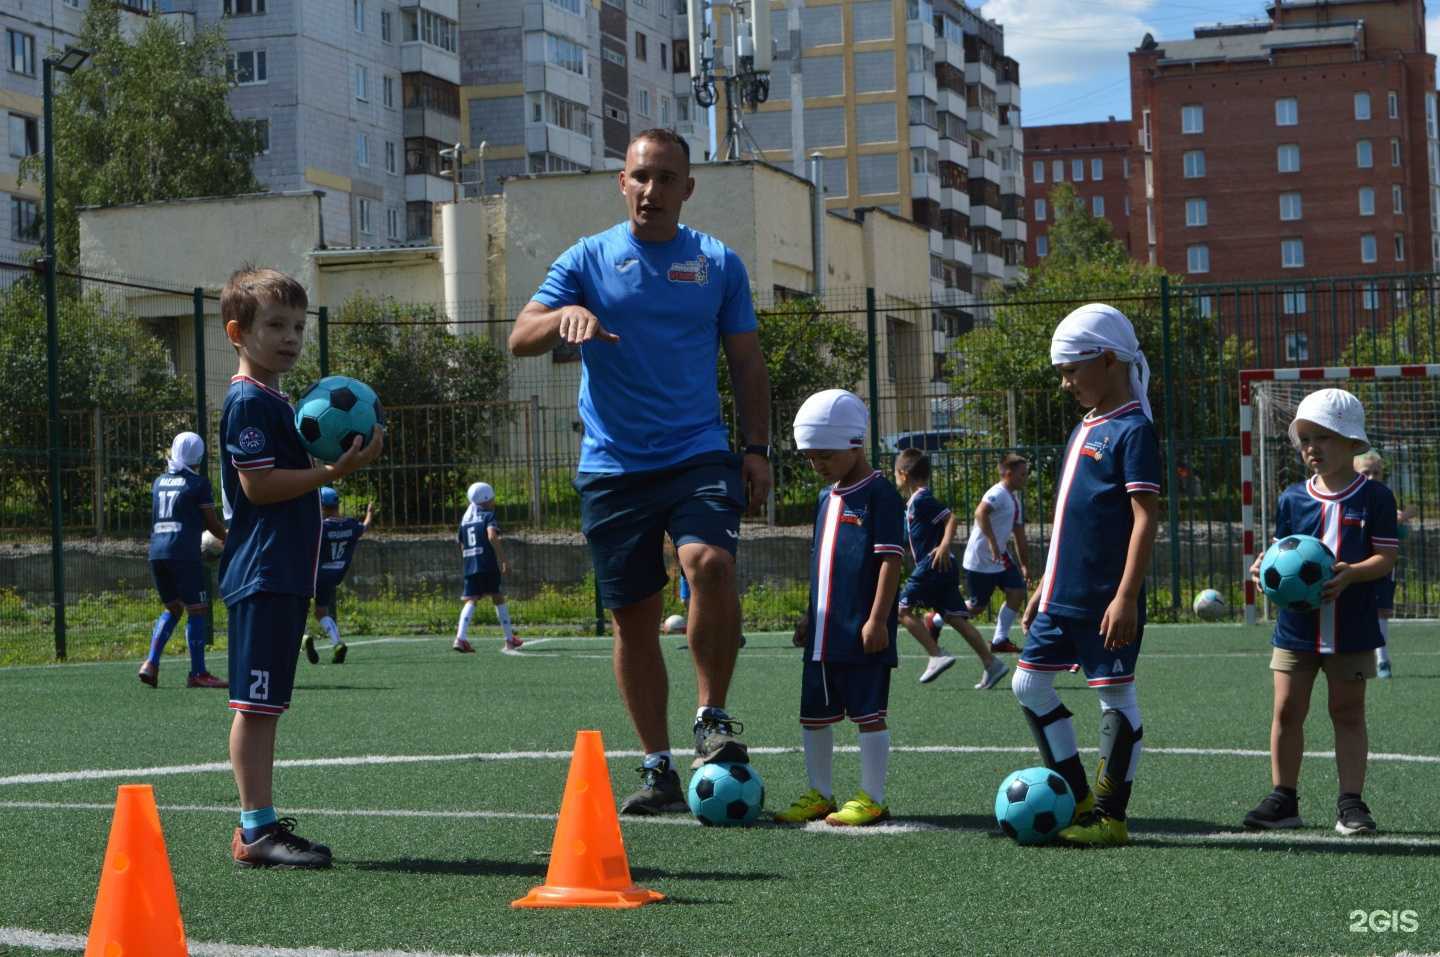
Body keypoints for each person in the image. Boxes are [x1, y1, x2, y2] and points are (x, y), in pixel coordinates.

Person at [509, 128, 772, 815]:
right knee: (634, 619)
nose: (652, 189)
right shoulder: (586, 258)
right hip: (613, 466)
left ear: (688, 188)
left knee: (710, 563)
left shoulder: (717, 263)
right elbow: (519, 335)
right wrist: (564, 314)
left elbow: (747, 361)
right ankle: (658, 767)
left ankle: (712, 720)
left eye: (666, 178)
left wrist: (757, 448)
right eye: (641, 176)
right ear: (622, 182)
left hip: (697, 452)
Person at [219, 266, 384, 868]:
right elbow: (259, 487)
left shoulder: (278, 400)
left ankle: (259, 826)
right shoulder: (248, 401)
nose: (290, 338)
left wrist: (337, 464)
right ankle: (256, 831)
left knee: (267, 706)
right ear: (238, 333)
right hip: (262, 571)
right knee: (255, 706)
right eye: (275, 326)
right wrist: (333, 473)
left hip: (284, 572)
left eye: (297, 326)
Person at [1012, 303, 1161, 847]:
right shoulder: (1085, 426)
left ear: (1108, 360)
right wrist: (1043, 586)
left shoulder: (1133, 430)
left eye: (1072, 371)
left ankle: (1110, 816)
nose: (1066, 383)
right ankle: (1075, 797)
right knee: (1028, 684)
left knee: (1115, 697)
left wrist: (1126, 597)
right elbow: (1068, 521)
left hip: (1104, 600)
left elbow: (1145, 519)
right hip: (1062, 596)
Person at [1244, 390, 1396, 835]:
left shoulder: (1375, 497)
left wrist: (1352, 574)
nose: (1312, 447)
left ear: (1352, 442)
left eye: (1323, 437)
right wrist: (1264, 570)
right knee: (1287, 710)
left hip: (1351, 626)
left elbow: (1385, 558)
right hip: (1296, 628)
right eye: (1305, 439)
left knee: (1347, 712)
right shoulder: (1293, 498)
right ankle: (1283, 799)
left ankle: (1351, 803)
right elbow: (1282, 553)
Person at [774, 390, 904, 827]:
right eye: (810, 457)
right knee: (814, 716)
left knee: (869, 715)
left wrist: (877, 619)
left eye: (825, 456)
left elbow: (890, 561)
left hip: (862, 632)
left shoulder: (881, 494)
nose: (817, 464)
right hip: (823, 635)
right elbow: (822, 562)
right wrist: (809, 615)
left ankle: (872, 798)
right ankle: (820, 793)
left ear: (855, 444)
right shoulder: (824, 498)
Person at [892, 449, 1008, 689]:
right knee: (954, 617)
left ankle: (936, 655)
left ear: (903, 474)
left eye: (894, 474)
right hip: (942, 568)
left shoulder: (922, 499)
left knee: (902, 610)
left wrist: (944, 545)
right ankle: (991, 663)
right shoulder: (913, 503)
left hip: (932, 565)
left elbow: (951, 518)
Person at [138, 431, 228, 689]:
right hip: (183, 553)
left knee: (174, 608)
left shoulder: (159, 482)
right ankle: (198, 673)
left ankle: (151, 663)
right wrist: (229, 539)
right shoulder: (198, 484)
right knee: (197, 609)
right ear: (199, 455)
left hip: (157, 552)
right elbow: (212, 524)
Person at [962, 452, 1032, 654]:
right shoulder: (998, 493)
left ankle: (1000, 639)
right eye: (1022, 474)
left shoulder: (1014, 501)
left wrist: (1025, 565)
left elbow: (1019, 535)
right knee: (977, 607)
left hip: (1000, 558)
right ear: (1008, 474)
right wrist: (992, 543)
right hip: (981, 558)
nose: (1025, 478)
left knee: (1017, 591)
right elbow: (980, 512)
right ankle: (936, 619)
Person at [300, 489, 376, 666]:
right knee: (321, 611)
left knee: (298, 607)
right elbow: (365, 527)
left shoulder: (320, 527)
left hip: (314, 573)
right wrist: (370, 513)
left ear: (321, 506)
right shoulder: (351, 525)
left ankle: (304, 637)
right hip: (335, 574)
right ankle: (337, 643)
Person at [454, 481, 521, 653]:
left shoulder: (465, 520)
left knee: (471, 599)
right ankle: (509, 639)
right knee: (498, 597)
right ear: (485, 499)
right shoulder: (488, 516)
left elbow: (461, 544)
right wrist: (503, 560)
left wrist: (469, 560)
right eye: (492, 498)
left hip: (470, 564)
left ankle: (460, 638)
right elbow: (492, 536)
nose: (494, 501)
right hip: (487, 563)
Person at [1354, 450, 1403, 679]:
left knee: (1382, 609)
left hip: (1382, 565)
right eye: (1366, 473)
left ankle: (1382, 660)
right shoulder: (1351, 497)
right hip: (1356, 564)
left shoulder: (1385, 498)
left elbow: (1398, 534)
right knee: (1355, 609)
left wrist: (1399, 521)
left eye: (1376, 472)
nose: (1372, 477)